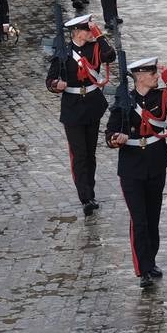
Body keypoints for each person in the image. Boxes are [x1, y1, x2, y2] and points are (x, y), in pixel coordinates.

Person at [107, 57, 167, 287]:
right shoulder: (124, 102)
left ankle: (150, 261)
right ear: (139, 76)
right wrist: (116, 139)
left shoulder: (161, 96)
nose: (155, 76)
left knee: (152, 219)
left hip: (155, 162)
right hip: (131, 167)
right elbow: (110, 133)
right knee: (139, 220)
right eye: (152, 72)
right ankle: (142, 270)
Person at [46, 13, 114, 216]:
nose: (90, 32)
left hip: (92, 105)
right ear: (76, 32)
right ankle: (85, 197)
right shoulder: (64, 53)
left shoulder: (94, 47)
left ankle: (90, 191)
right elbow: (50, 79)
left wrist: (100, 35)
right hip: (73, 108)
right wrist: (56, 85)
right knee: (79, 155)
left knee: (90, 154)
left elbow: (109, 55)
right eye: (87, 30)